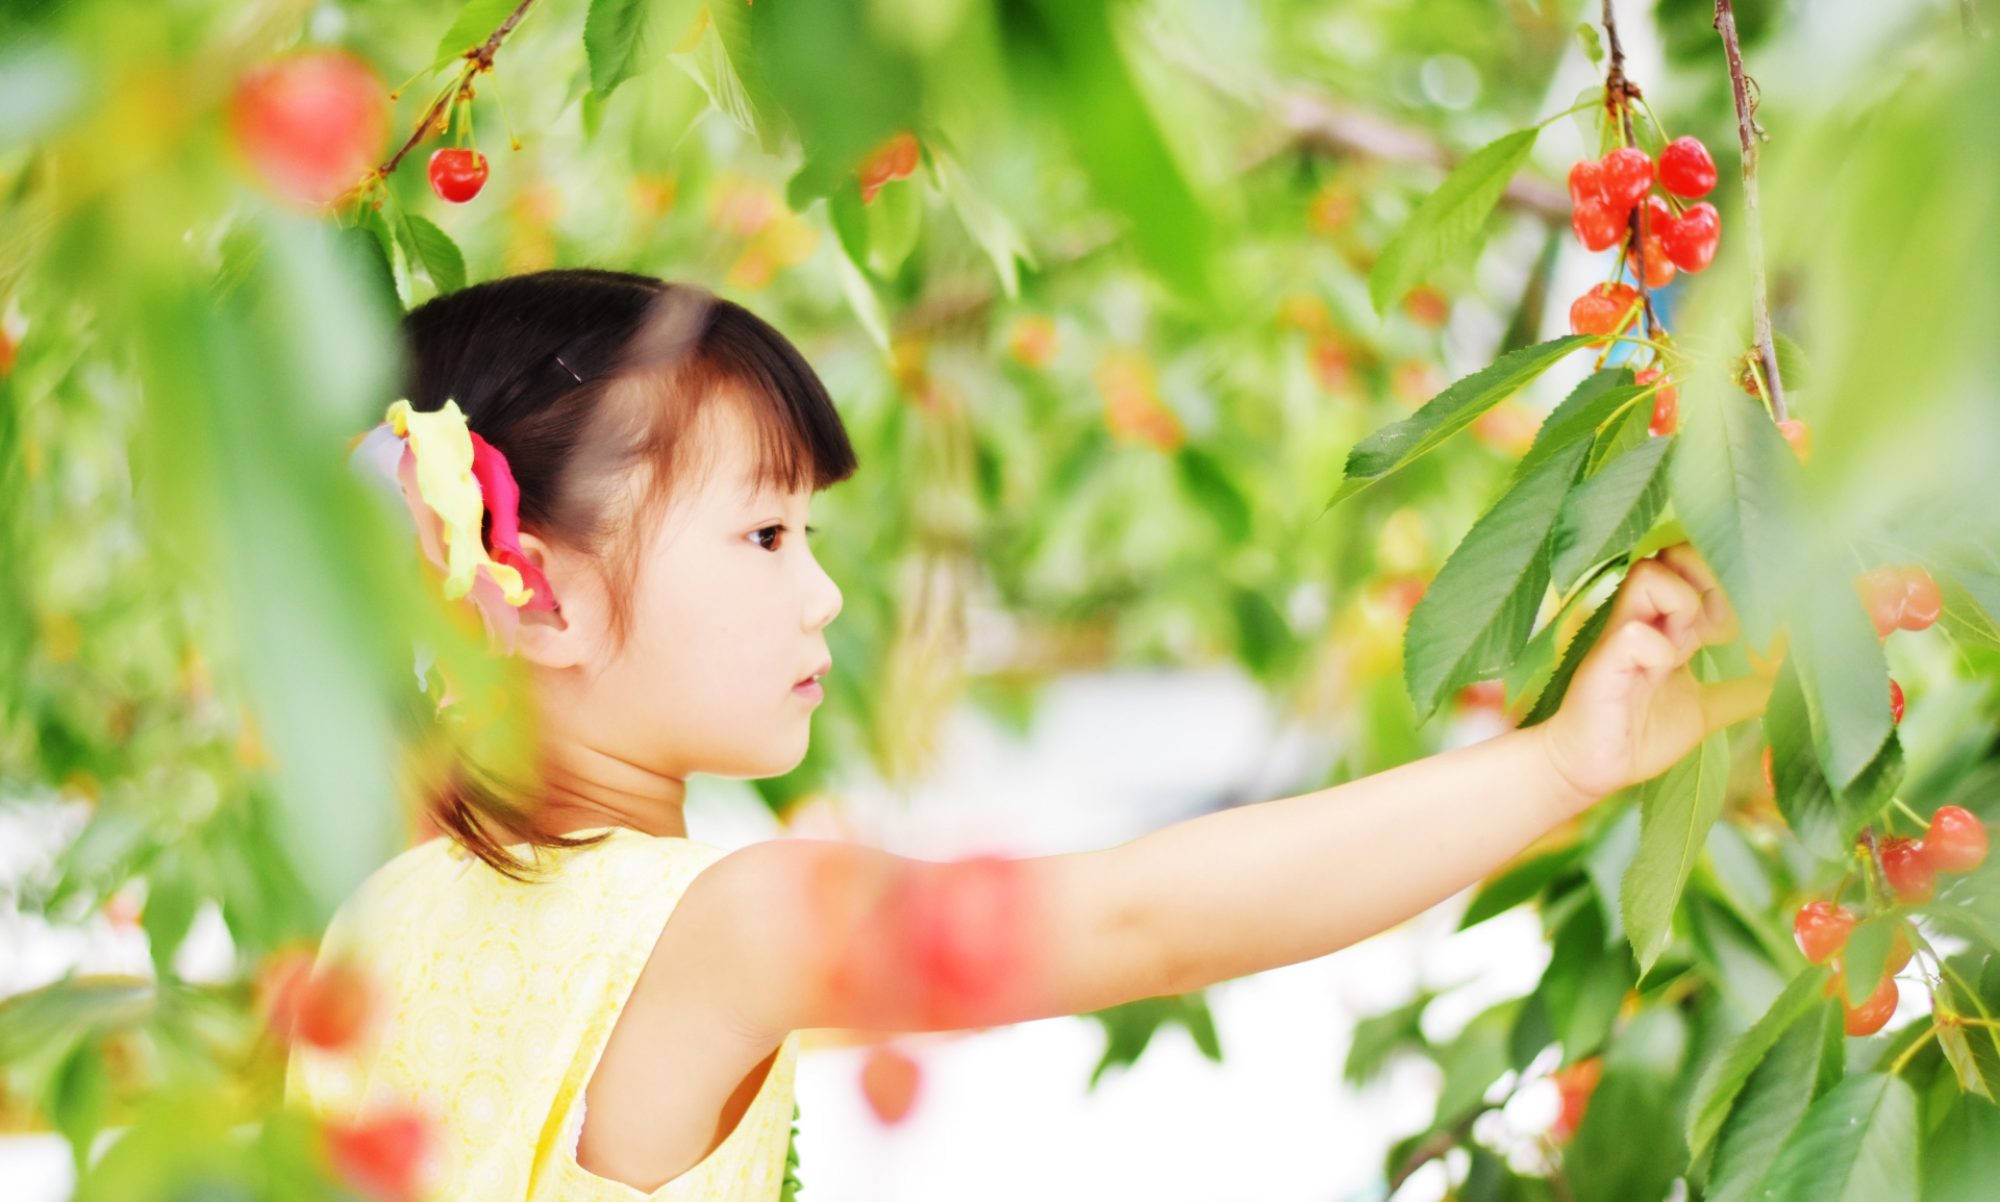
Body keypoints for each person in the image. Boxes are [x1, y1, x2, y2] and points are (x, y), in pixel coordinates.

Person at [285, 267, 1774, 1201]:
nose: (824, 592)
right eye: (763, 533)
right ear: (534, 596)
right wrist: (1564, 761)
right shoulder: (723, 921)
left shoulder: (378, 917)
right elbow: (1139, 920)